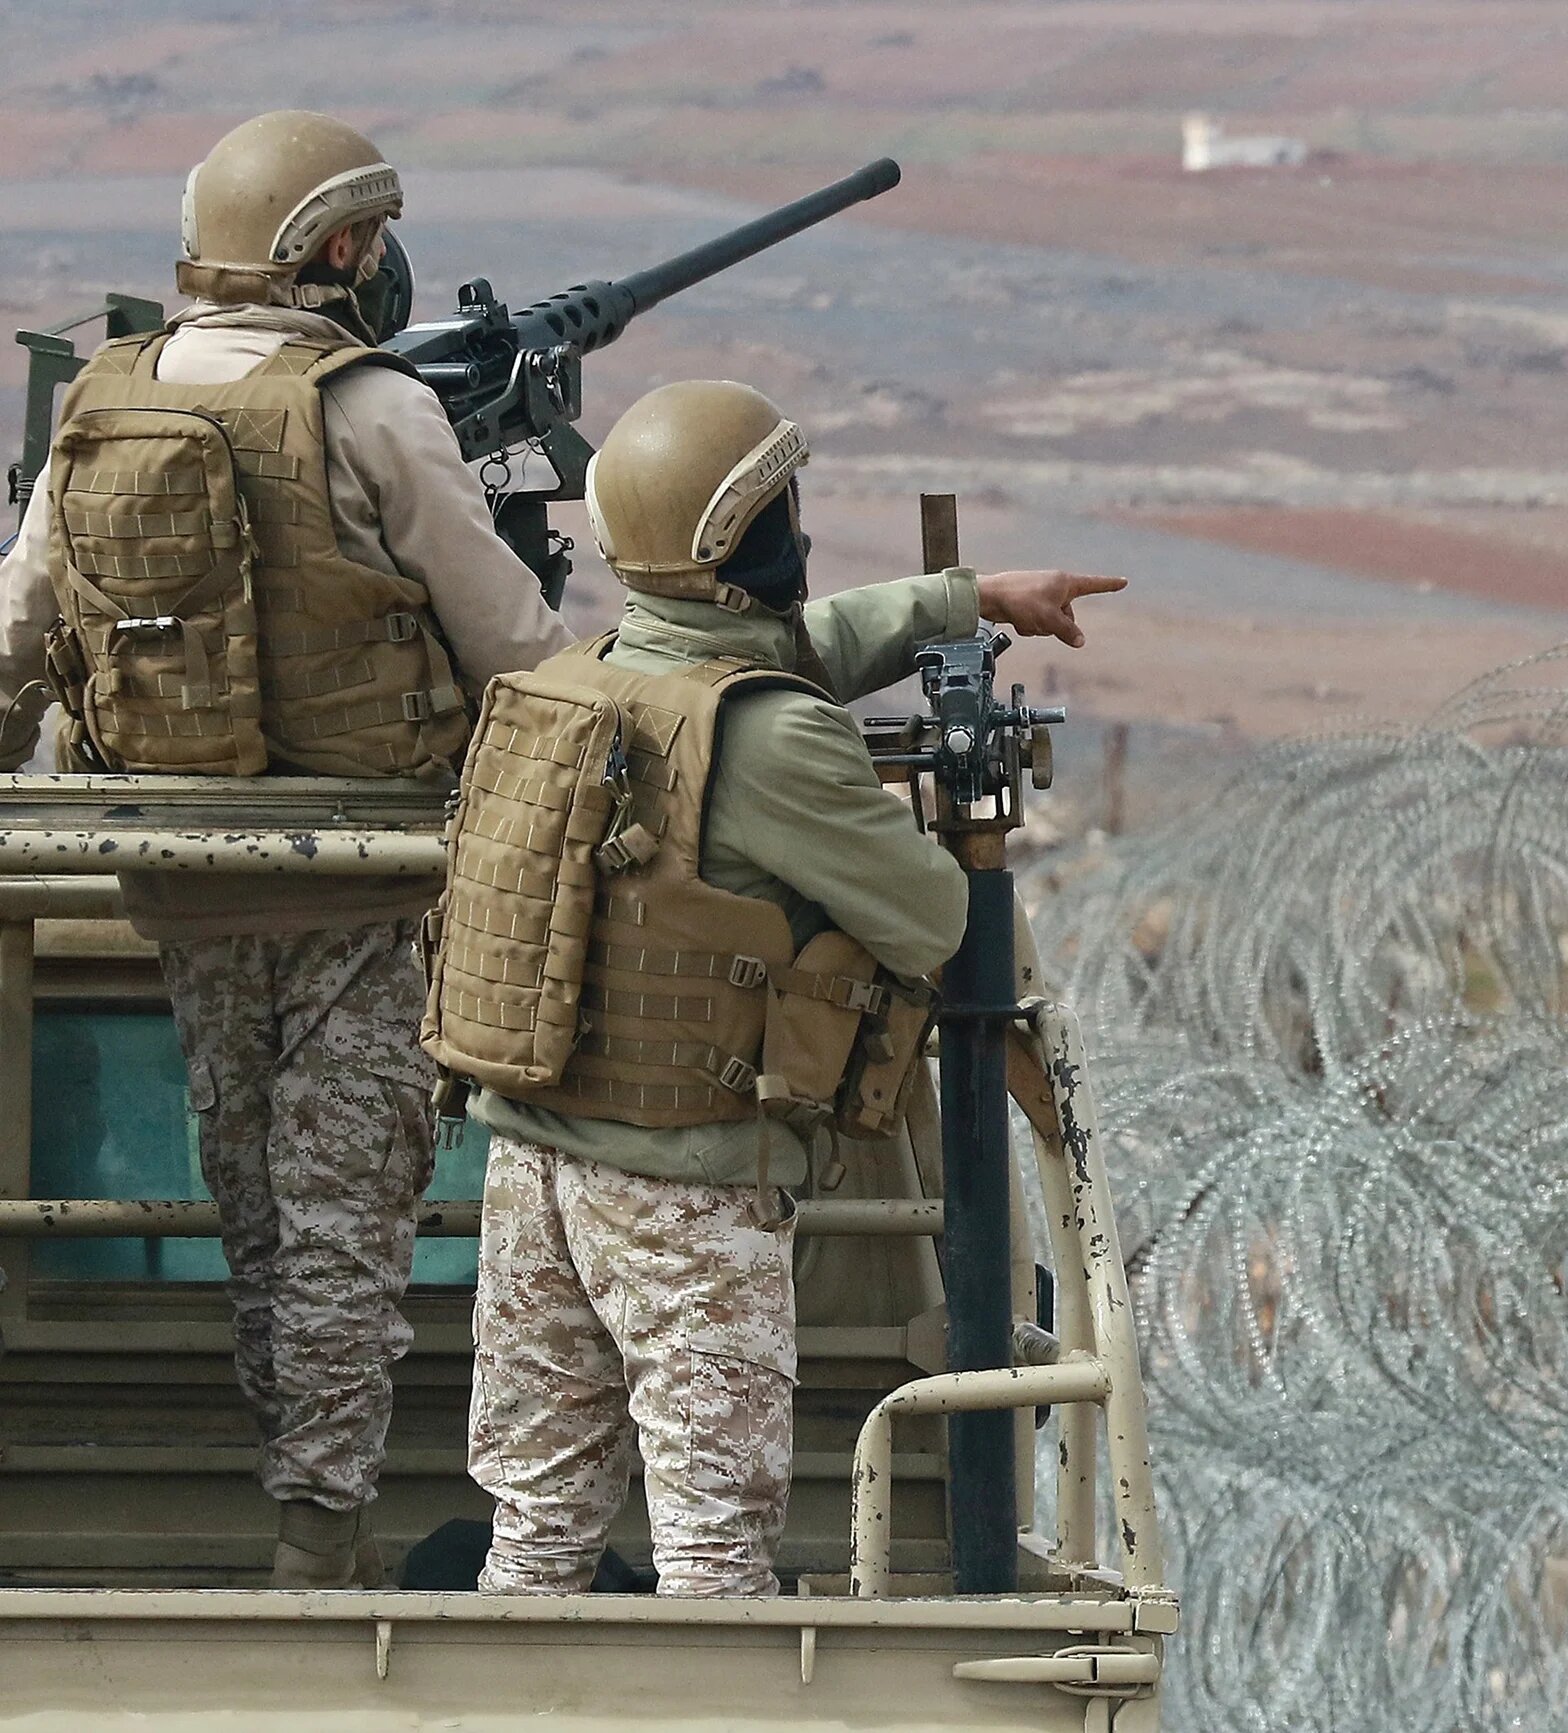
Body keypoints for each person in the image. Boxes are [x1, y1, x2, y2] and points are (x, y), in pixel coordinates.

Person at [0, 111, 573, 1587]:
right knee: (341, 1219)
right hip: (362, 884)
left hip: (189, 881)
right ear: (334, 248)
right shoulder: (374, 408)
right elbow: (514, 642)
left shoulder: (99, 406)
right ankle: (317, 1539)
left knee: (254, 1206)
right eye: (369, 240)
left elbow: (18, 632)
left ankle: (300, 1500)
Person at [444, 378, 1123, 1597]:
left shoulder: (584, 679)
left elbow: (779, 653)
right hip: (681, 1191)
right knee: (713, 1547)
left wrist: (967, 600)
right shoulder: (771, 740)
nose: (800, 543)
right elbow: (930, 918)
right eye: (782, 521)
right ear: (742, 548)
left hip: (531, 1167)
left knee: (538, 1528)